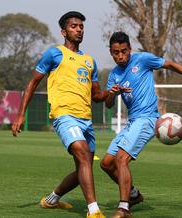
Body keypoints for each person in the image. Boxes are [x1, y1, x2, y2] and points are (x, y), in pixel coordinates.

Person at [100, 31, 182, 218]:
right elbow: (108, 104)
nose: (120, 56)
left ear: (130, 49)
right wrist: (113, 93)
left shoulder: (142, 60)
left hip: (148, 119)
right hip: (133, 121)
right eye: (115, 52)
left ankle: (124, 208)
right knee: (106, 164)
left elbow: (169, 64)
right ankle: (134, 195)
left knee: (121, 159)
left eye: (123, 51)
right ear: (111, 52)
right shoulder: (114, 75)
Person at [11, 11, 111, 218]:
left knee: (83, 167)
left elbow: (97, 96)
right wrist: (20, 114)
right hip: (63, 115)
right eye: (74, 26)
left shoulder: (90, 61)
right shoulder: (54, 54)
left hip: (86, 119)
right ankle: (94, 211)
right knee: (83, 154)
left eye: (81, 26)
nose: (79, 30)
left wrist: (113, 92)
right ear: (64, 31)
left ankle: (51, 199)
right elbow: (32, 83)